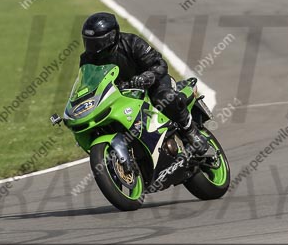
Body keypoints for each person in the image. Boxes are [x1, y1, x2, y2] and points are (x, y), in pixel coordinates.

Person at [79, 11, 209, 156]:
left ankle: (190, 131)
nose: (93, 48)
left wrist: (147, 76)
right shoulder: (87, 59)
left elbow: (159, 64)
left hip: (152, 84)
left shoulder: (131, 42)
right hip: (122, 94)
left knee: (165, 97)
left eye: (97, 43)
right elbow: (88, 82)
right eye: (89, 42)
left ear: (111, 37)